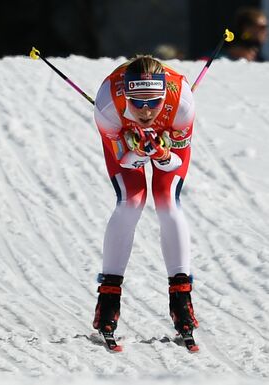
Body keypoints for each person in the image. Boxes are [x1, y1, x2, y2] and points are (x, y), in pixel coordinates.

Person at [92, 55, 199, 340]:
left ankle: (181, 299)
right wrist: (137, 152)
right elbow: (124, 163)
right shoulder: (108, 106)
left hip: (169, 134)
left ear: (165, 94)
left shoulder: (182, 104)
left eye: (154, 101)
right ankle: (108, 300)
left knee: (167, 201)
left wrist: (162, 153)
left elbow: (175, 163)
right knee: (131, 202)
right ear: (125, 95)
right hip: (124, 135)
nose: (146, 110)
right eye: (137, 101)